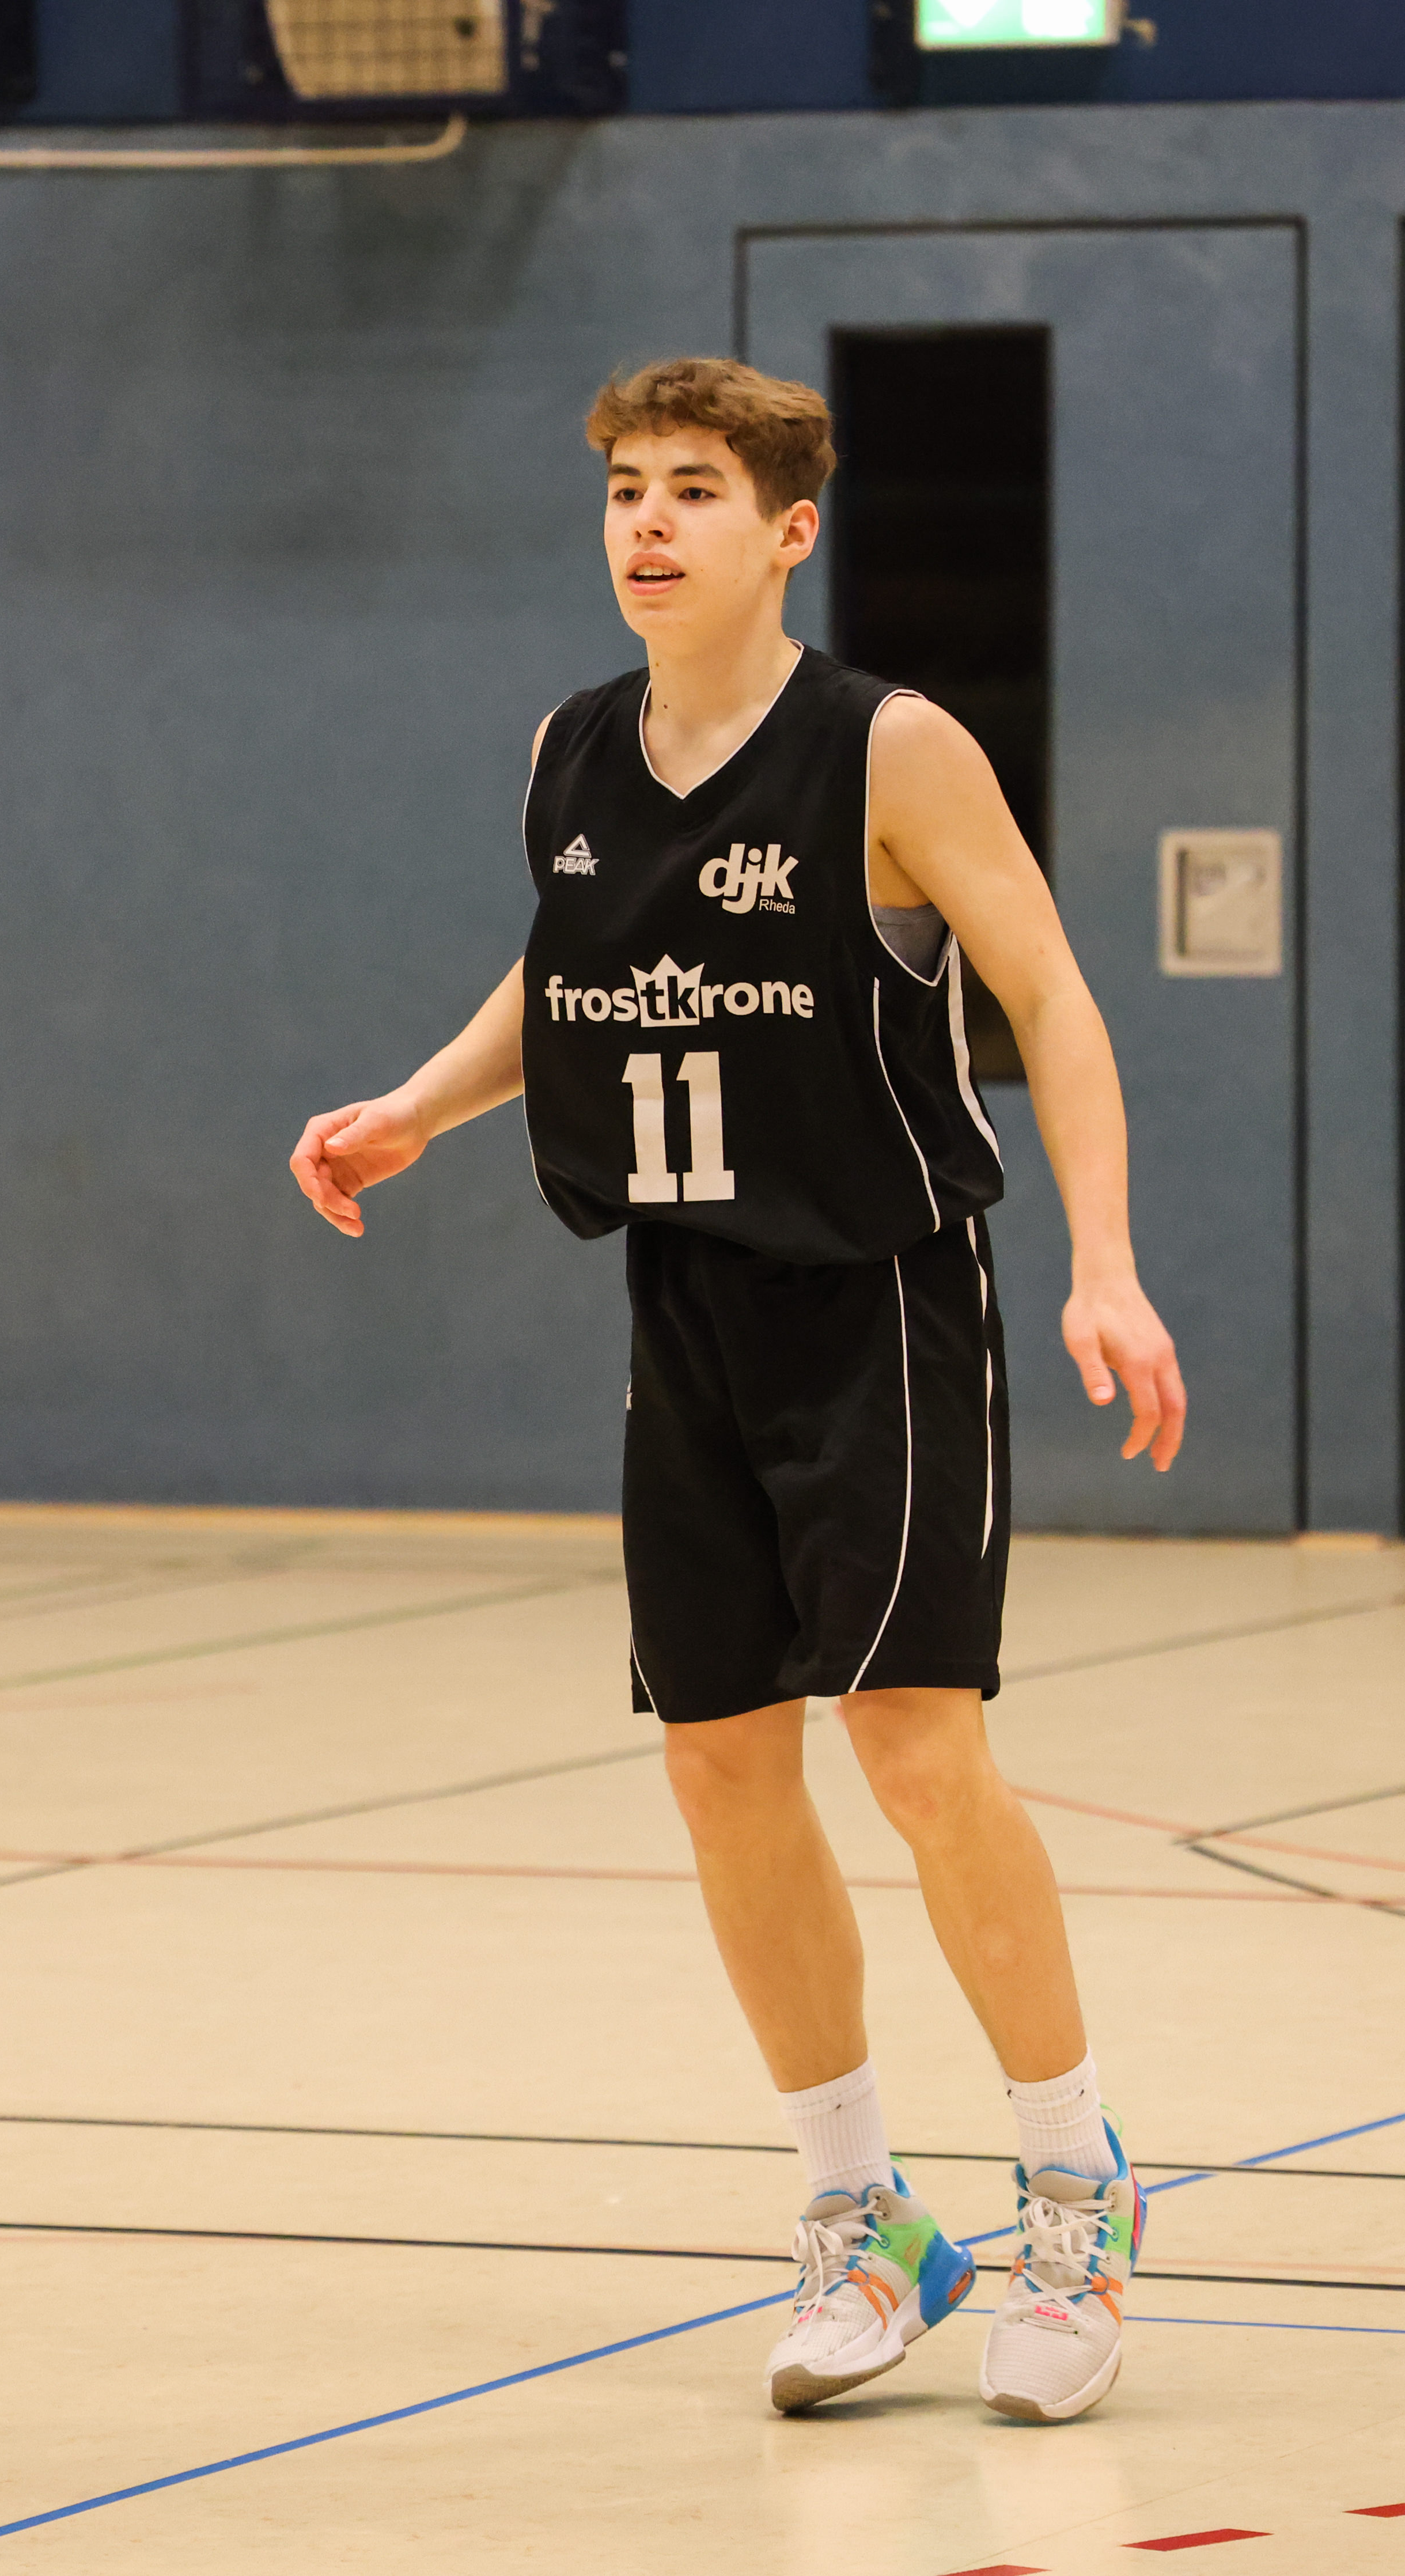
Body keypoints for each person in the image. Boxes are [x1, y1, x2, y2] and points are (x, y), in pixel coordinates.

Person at [289, 356, 1184, 2425]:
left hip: (878, 1298)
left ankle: (1074, 2192)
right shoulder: (571, 748)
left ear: (787, 532)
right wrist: (418, 1106)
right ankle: (862, 2217)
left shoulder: (889, 748)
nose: (647, 522)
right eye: (624, 486)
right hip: (682, 1295)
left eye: (693, 489)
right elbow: (571, 965)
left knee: (917, 1748)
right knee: (715, 1765)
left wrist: (1107, 1262)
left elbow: (1047, 991)